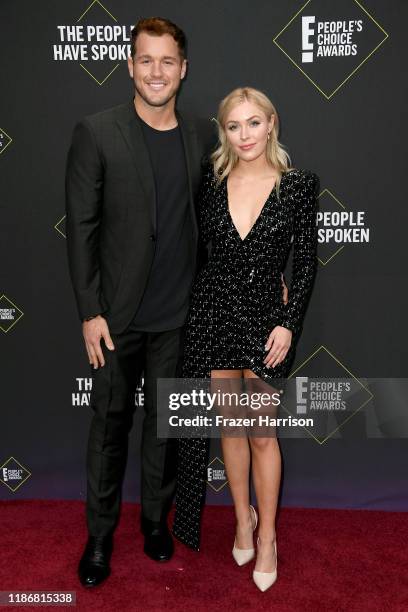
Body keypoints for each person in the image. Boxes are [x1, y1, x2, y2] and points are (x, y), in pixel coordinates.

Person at [65, 17, 216, 588]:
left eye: (167, 61)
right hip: (115, 318)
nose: (157, 72)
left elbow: (222, 215)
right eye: (145, 60)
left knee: (166, 428)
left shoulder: (201, 135)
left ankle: (156, 521)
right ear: (130, 65)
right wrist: (89, 311)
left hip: (179, 315)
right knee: (109, 429)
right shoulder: (97, 131)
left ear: (183, 69)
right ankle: (99, 538)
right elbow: (80, 228)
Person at [172, 87, 319, 591]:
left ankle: (270, 536)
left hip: (265, 322)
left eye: (253, 123)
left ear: (272, 123)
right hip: (214, 314)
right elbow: (195, 251)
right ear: (224, 133)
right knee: (230, 429)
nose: (245, 135)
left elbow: (305, 265)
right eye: (234, 127)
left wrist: (288, 322)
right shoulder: (211, 182)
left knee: (261, 433)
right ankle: (241, 519)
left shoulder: (298, 186)